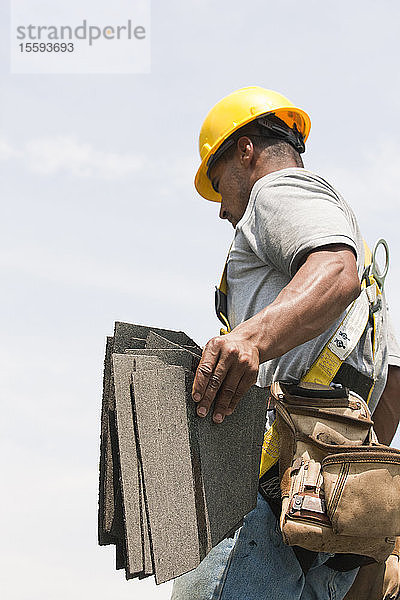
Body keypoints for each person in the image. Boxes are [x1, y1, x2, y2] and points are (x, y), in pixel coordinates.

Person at [171, 86, 400, 600]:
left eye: (217, 179)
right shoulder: (370, 269)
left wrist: (249, 337)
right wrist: (357, 486)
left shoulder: (277, 194)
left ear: (246, 151)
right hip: (331, 513)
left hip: (265, 504)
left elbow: (333, 269)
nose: (222, 207)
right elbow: (394, 383)